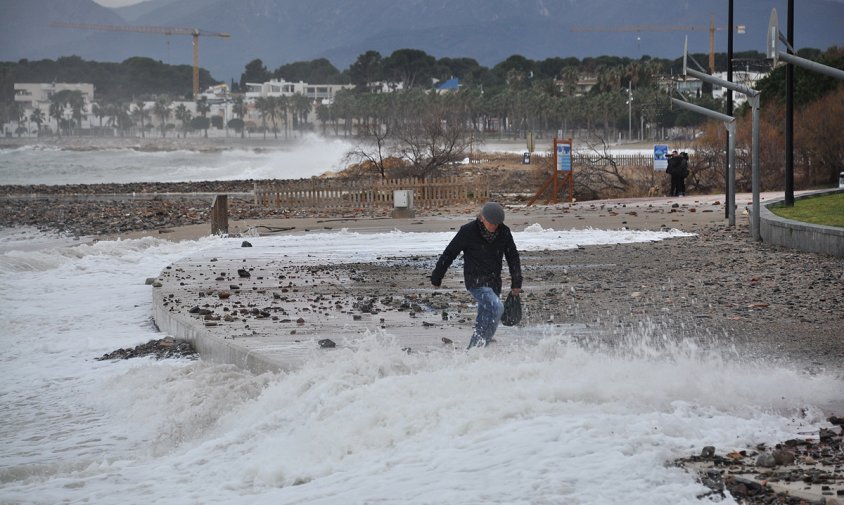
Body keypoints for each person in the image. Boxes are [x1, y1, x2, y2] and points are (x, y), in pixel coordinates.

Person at [430, 202, 523, 348]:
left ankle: (474, 353)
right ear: (482, 218)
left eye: (497, 223)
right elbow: (449, 253)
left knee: (484, 319)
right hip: (475, 281)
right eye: (491, 223)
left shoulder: (504, 232)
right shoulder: (468, 231)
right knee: (497, 308)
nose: (494, 226)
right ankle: (478, 348)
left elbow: (513, 257)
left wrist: (516, 282)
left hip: (494, 282)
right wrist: (437, 276)